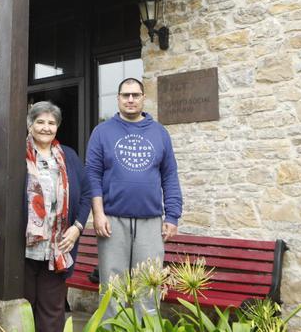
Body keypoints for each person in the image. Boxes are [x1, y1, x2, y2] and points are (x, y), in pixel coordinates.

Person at [86, 77, 183, 316]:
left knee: (147, 288)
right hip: (112, 220)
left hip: (150, 221)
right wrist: (98, 214)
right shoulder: (102, 132)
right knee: (112, 288)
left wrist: (172, 216)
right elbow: (92, 175)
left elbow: (170, 176)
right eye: (125, 95)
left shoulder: (159, 133)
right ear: (118, 99)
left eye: (135, 95)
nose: (130, 99)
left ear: (143, 98)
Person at [23, 101, 91, 332]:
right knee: (23, 308)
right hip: (23, 249)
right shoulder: (16, 155)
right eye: (40, 122)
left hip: (58, 248)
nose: (46, 127)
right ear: (30, 125)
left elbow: (87, 192)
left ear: (57, 127)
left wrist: (77, 227)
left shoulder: (69, 156)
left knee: (53, 311)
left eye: (51, 123)